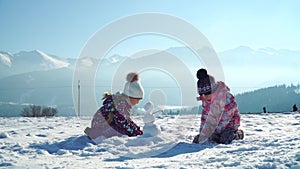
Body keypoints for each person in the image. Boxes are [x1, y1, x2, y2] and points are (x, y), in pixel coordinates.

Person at [84, 72, 144, 143]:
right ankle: (95, 134)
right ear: (130, 97)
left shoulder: (124, 104)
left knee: (123, 130)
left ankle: (98, 133)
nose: (137, 102)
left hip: (106, 124)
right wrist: (135, 133)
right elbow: (122, 122)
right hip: (100, 124)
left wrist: (137, 129)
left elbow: (127, 120)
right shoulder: (121, 104)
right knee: (119, 132)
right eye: (137, 99)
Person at [193, 68, 244, 144]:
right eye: (202, 95)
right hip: (214, 125)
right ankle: (215, 136)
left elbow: (225, 118)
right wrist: (202, 133)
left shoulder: (226, 98)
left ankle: (237, 134)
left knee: (224, 139)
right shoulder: (206, 100)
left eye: (207, 94)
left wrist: (213, 132)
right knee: (200, 139)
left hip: (229, 124)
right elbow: (205, 118)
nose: (204, 97)